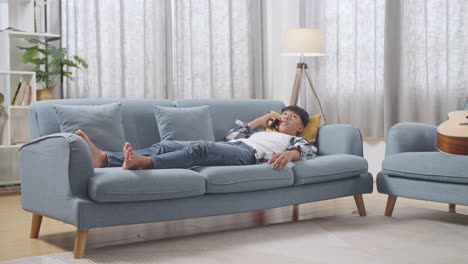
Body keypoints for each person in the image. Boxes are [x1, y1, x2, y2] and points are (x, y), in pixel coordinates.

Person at [75, 106, 317, 171]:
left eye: (292, 116)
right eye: (284, 114)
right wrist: (261, 120)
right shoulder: (264, 131)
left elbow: (308, 151)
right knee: (168, 144)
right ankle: (105, 159)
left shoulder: (293, 141)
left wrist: (288, 154)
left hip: (247, 156)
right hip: (233, 146)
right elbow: (231, 136)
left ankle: (144, 163)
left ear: (300, 127)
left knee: (201, 147)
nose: (285, 117)